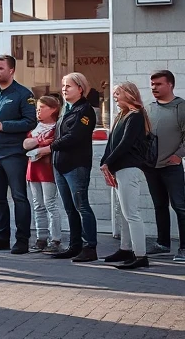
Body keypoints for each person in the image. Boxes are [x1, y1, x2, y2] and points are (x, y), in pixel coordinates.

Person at [0, 55, 37, 254]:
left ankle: (22, 240)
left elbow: (30, 122)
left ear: (11, 70)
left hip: (13, 153)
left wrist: (3, 126)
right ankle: (1, 237)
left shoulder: (23, 94)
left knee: (19, 197)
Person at [99, 82, 152, 269]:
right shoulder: (121, 115)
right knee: (123, 213)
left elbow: (126, 143)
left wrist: (108, 162)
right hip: (119, 168)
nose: (114, 96)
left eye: (117, 93)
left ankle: (140, 255)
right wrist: (104, 162)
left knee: (132, 213)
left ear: (129, 94)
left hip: (129, 168)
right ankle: (125, 248)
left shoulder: (136, 116)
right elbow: (112, 142)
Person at [49, 72, 99, 262]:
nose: (64, 89)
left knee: (82, 206)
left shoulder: (85, 110)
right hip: (60, 165)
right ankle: (75, 245)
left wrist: (49, 147)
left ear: (80, 88)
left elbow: (75, 136)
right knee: (69, 208)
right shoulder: (66, 109)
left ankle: (90, 247)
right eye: (63, 86)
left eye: (68, 86)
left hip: (76, 165)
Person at [144, 70, 185, 261]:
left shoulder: (181, 107)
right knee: (159, 205)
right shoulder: (148, 108)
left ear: (170, 85)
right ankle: (162, 244)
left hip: (172, 166)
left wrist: (178, 156)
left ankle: (184, 248)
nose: (154, 88)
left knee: (180, 206)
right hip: (152, 167)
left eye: (158, 84)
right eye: (152, 84)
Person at [22, 94, 65, 254]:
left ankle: (55, 239)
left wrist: (37, 143)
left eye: (42, 108)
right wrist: (36, 143)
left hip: (47, 170)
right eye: (37, 109)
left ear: (53, 109)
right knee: (38, 204)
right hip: (33, 169)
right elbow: (26, 143)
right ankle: (41, 237)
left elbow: (52, 143)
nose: (38, 112)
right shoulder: (36, 127)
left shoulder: (56, 128)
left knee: (50, 204)